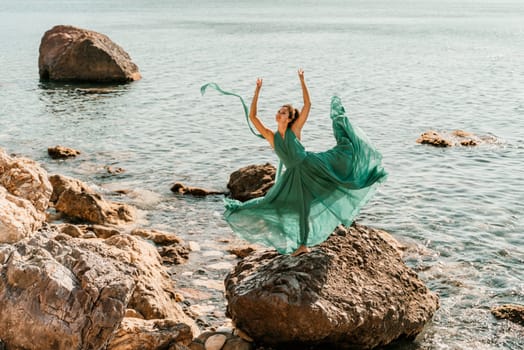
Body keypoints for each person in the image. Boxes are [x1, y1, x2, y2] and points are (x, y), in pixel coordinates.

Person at [218, 69, 387, 256]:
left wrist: (302, 80)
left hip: (312, 167)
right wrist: (257, 91)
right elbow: (253, 117)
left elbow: (307, 104)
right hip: (293, 176)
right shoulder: (271, 136)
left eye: (283, 113)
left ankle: (304, 243)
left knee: (340, 183)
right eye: (278, 112)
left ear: (290, 118)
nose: (278, 114)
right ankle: (297, 242)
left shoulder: (295, 129)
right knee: (274, 203)